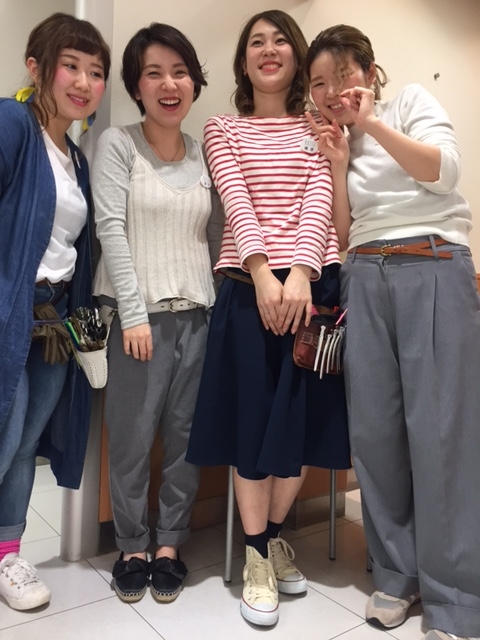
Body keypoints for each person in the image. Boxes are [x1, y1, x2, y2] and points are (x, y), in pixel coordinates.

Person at [306, 24, 480, 640]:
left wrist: (373, 124)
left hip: (431, 261)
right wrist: (338, 164)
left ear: (369, 71)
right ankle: (395, 574)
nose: (332, 91)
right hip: (364, 272)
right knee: (375, 433)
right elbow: (345, 232)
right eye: (319, 83)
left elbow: (444, 172)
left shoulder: (407, 103)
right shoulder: (338, 141)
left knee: (442, 434)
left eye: (342, 75)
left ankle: (455, 596)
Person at [186, 9, 350, 627]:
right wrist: (262, 275)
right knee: (250, 422)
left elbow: (319, 199)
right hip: (244, 286)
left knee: (298, 425)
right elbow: (237, 201)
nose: (269, 49)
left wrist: (301, 274)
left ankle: (275, 538)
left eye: (281, 39)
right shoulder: (221, 127)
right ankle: (255, 554)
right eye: (256, 42)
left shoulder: (319, 125)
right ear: (244, 61)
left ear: (297, 56)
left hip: (313, 289)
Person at [92, 23, 223, 604]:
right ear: (136, 86)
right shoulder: (118, 144)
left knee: (185, 440)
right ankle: (131, 547)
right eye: (154, 73)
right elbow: (110, 229)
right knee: (130, 438)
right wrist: (135, 313)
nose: (169, 85)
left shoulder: (205, 154)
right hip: (135, 320)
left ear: (194, 82)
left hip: (198, 317)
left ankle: (169, 545)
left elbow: (215, 239)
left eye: (180, 72)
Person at [0, 13, 110, 611]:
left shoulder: (76, 157)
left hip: (53, 324)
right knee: (5, 429)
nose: (84, 82)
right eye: (71, 65)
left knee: (25, 443)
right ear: (36, 67)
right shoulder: (11, 123)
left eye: (95, 71)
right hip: (8, 315)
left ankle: (8, 554)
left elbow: (74, 250)